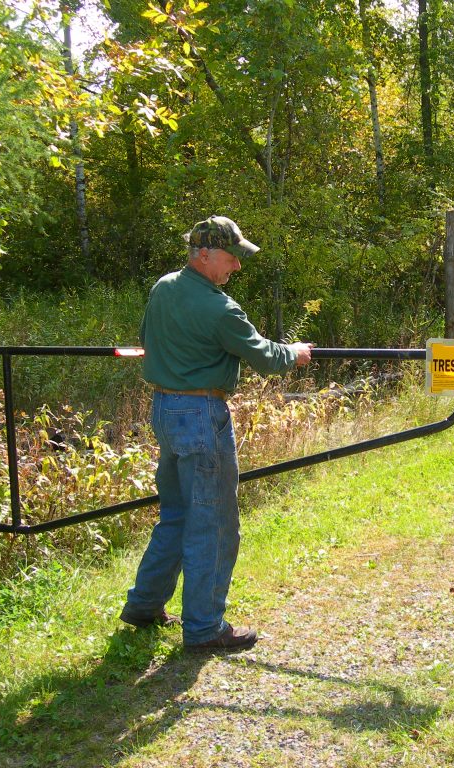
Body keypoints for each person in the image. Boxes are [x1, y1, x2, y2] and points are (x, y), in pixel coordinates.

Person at [120, 215, 313, 651]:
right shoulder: (220, 308)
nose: (237, 268)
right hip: (202, 414)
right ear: (203, 255)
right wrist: (295, 353)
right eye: (231, 258)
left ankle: (144, 604)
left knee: (177, 514)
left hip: (165, 409)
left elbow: (148, 337)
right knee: (214, 522)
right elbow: (264, 356)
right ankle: (205, 627)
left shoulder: (163, 287)